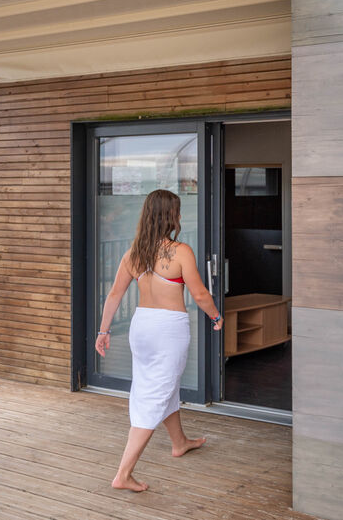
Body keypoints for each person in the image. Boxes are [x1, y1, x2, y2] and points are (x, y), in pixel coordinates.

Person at [95, 189, 223, 492]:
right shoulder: (181, 252)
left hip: (142, 327)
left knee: (162, 386)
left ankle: (180, 442)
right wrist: (217, 317)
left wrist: (103, 331)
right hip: (168, 330)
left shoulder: (134, 253)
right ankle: (123, 474)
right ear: (171, 216)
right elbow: (200, 294)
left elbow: (114, 294)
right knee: (155, 393)